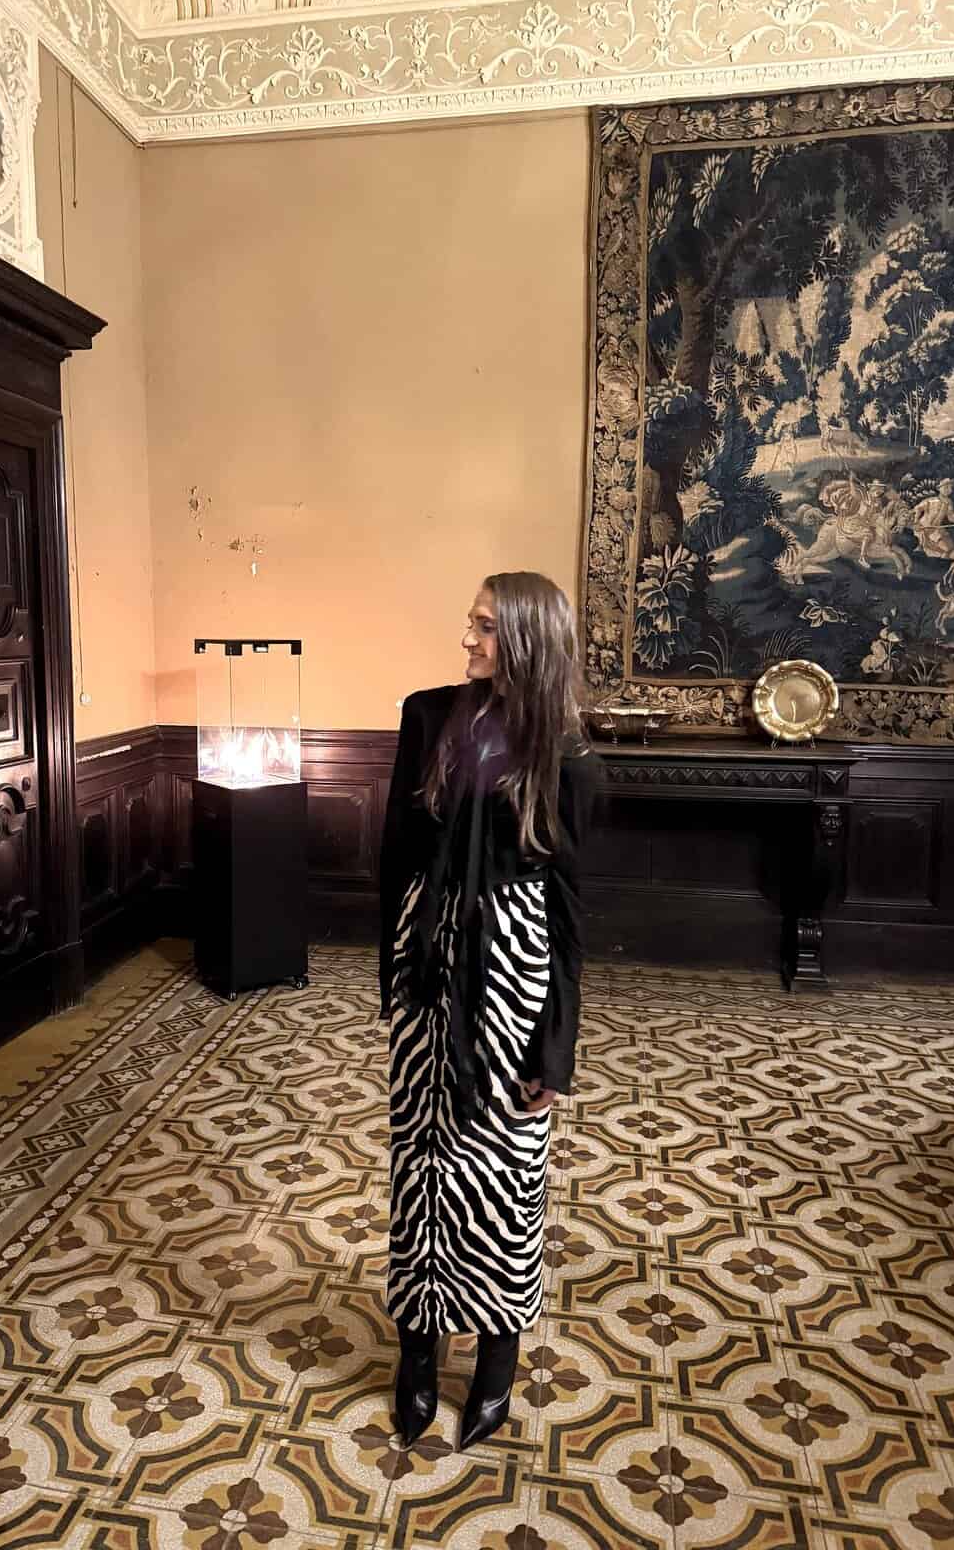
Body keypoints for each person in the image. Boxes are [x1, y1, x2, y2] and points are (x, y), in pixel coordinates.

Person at [379, 571, 598, 1452]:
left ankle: (498, 1360)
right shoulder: (427, 715)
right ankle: (417, 1352)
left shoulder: (566, 753)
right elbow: (396, 852)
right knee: (418, 1164)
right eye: (469, 621)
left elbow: (572, 906)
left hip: (513, 967)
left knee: (506, 1168)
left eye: (484, 626)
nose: (466, 639)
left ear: (528, 639)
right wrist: (395, 968)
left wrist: (558, 1043)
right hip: (430, 961)